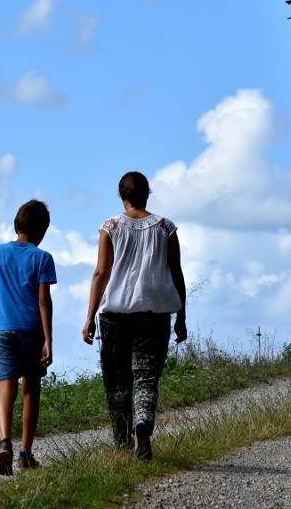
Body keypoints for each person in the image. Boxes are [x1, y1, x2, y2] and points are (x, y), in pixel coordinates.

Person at [81, 171, 187, 460]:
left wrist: (89, 317)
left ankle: (122, 442)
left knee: (117, 381)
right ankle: (143, 423)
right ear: (147, 194)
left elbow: (102, 273)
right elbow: (176, 273)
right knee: (146, 377)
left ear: (121, 195)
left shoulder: (110, 227)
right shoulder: (166, 228)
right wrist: (182, 314)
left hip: (115, 314)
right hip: (154, 314)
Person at [0, 199, 56, 475]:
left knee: (5, 386)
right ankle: (25, 453)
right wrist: (48, 339)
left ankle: (4, 442)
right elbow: (44, 301)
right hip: (32, 330)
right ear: (43, 231)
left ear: (16, 224)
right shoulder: (42, 258)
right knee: (31, 388)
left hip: (3, 329)